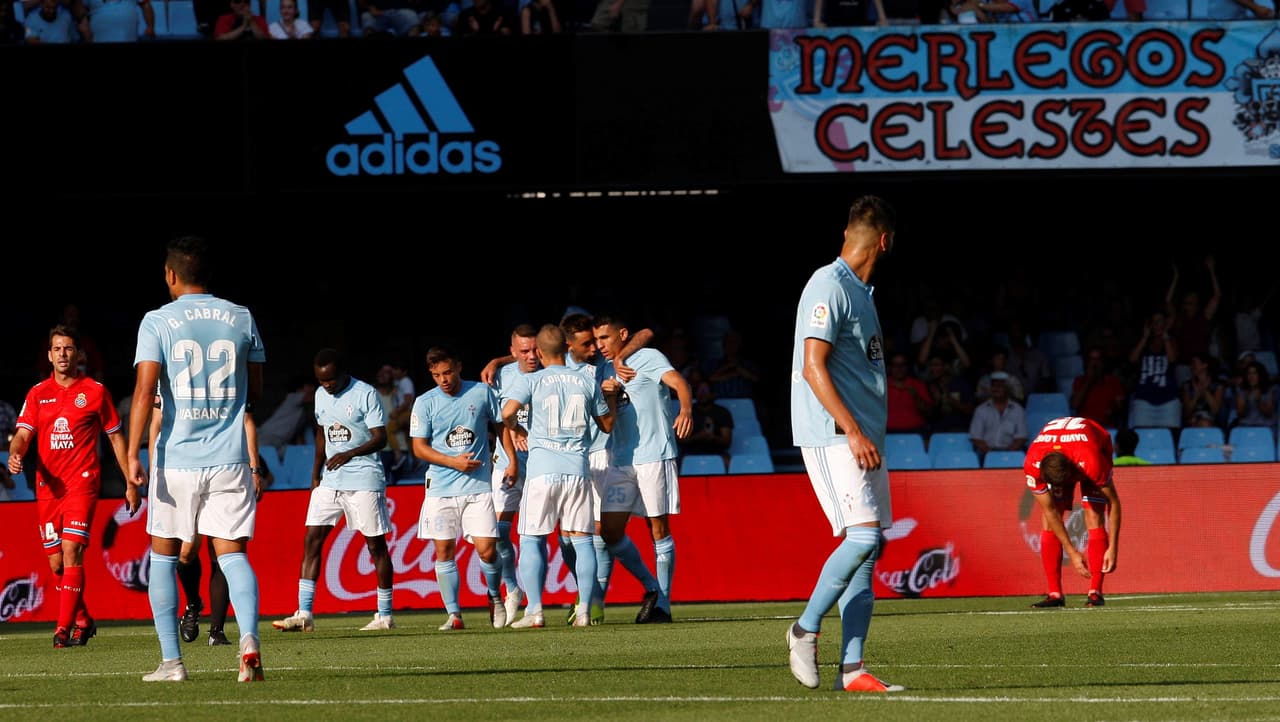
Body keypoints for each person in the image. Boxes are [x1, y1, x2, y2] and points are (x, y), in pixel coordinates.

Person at [126, 235, 266, 683]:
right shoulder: (241, 316)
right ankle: (248, 642)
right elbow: (256, 392)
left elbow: (146, 393)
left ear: (170, 274)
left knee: (165, 557)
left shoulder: (157, 320)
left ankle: (172, 663)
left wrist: (131, 455)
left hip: (177, 459)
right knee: (233, 555)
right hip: (230, 458)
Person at [786, 195, 903, 694]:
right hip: (834, 433)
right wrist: (852, 430)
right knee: (861, 538)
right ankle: (803, 629)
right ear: (885, 240)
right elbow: (813, 368)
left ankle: (852, 670)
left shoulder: (861, 291)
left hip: (862, 437)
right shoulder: (827, 285)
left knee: (870, 548)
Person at [8, 325, 139, 649]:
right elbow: (23, 435)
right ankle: (83, 620)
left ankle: (62, 630)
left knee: (72, 552)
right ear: (50, 356)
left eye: (69, 349)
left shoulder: (94, 391)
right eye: (57, 349)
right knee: (56, 563)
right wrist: (15, 454)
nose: (63, 355)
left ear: (79, 355)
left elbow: (115, 436)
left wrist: (128, 481)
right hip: (47, 486)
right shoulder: (37, 393)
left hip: (82, 482)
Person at [272, 348, 397, 634]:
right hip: (330, 480)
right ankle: (304, 613)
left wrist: (350, 453)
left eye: (330, 379)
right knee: (312, 539)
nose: (326, 385)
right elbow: (322, 433)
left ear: (342, 372)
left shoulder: (365, 393)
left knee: (375, 546)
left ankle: (385, 614)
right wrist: (315, 472)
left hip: (364, 478)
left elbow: (380, 438)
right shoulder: (319, 395)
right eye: (321, 380)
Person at [500, 324, 616, 628]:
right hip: (577, 470)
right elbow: (606, 424)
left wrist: (517, 430)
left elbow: (507, 412)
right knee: (583, 541)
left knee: (530, 539)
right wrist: (612, 399)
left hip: (542, 471)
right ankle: (584, 612)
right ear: (566, 348)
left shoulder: (534, 380)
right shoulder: (587, 380)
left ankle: (536, 612)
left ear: (538, 352)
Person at [593, 312, 692, 625]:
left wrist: (686, 408)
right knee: (608, 531)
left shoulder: (648, 357)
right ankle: (651, 587)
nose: (600, 345)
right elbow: (606, 424)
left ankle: (663, 603)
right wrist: (608, 397)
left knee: (657, 528)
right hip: (621, 459)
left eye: (604, 338)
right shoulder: (605, 370)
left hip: (654, 456)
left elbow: (678, 381)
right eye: (596, 340)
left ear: (622, 334)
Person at [410, 345, 513, 631]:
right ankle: (454, 615)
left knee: (487, 551)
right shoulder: (425, 402)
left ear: (458, 366)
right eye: (437, 375)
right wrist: (452, 462)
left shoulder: (481, 392)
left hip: (477, 487)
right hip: (441, 489)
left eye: (447, 372)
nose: (443, 379)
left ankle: (494, 596)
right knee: (443, 550)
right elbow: (419, 447)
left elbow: (501, 425)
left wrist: (511, 461)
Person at [1023, 415, 1122, 609]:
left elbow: (1114, 503)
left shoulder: (1091, 462)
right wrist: (1072, 552)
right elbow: (1050, 510)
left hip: (1095, 444)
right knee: (1048, 519)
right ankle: (1054, 594)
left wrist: (1113, 548)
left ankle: (1095, 592)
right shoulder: (1032, 464)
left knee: (1094, 514)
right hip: (1063, 448)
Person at [967, 371, 1028, 461]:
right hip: (986, 453)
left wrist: (1006, 455)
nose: (996, 389)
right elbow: (976, 437)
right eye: (994, 386)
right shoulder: (981, 410)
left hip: (1011, 453)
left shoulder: (1018, 410)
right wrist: (991, 453)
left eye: (1000, 386)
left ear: (1007, 389)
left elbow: (1021, 437)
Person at [679, 371, 734, 469]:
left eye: (705, 390)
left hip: (716, 453)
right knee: (678, 464)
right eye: (700, 390)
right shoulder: (686, 411)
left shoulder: (722, 412)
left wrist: (712, 437)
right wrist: (698, 437)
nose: (702, 393)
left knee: (729, 463)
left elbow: (727, 441)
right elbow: (680, 439)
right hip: (691, 453)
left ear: (712, 394)